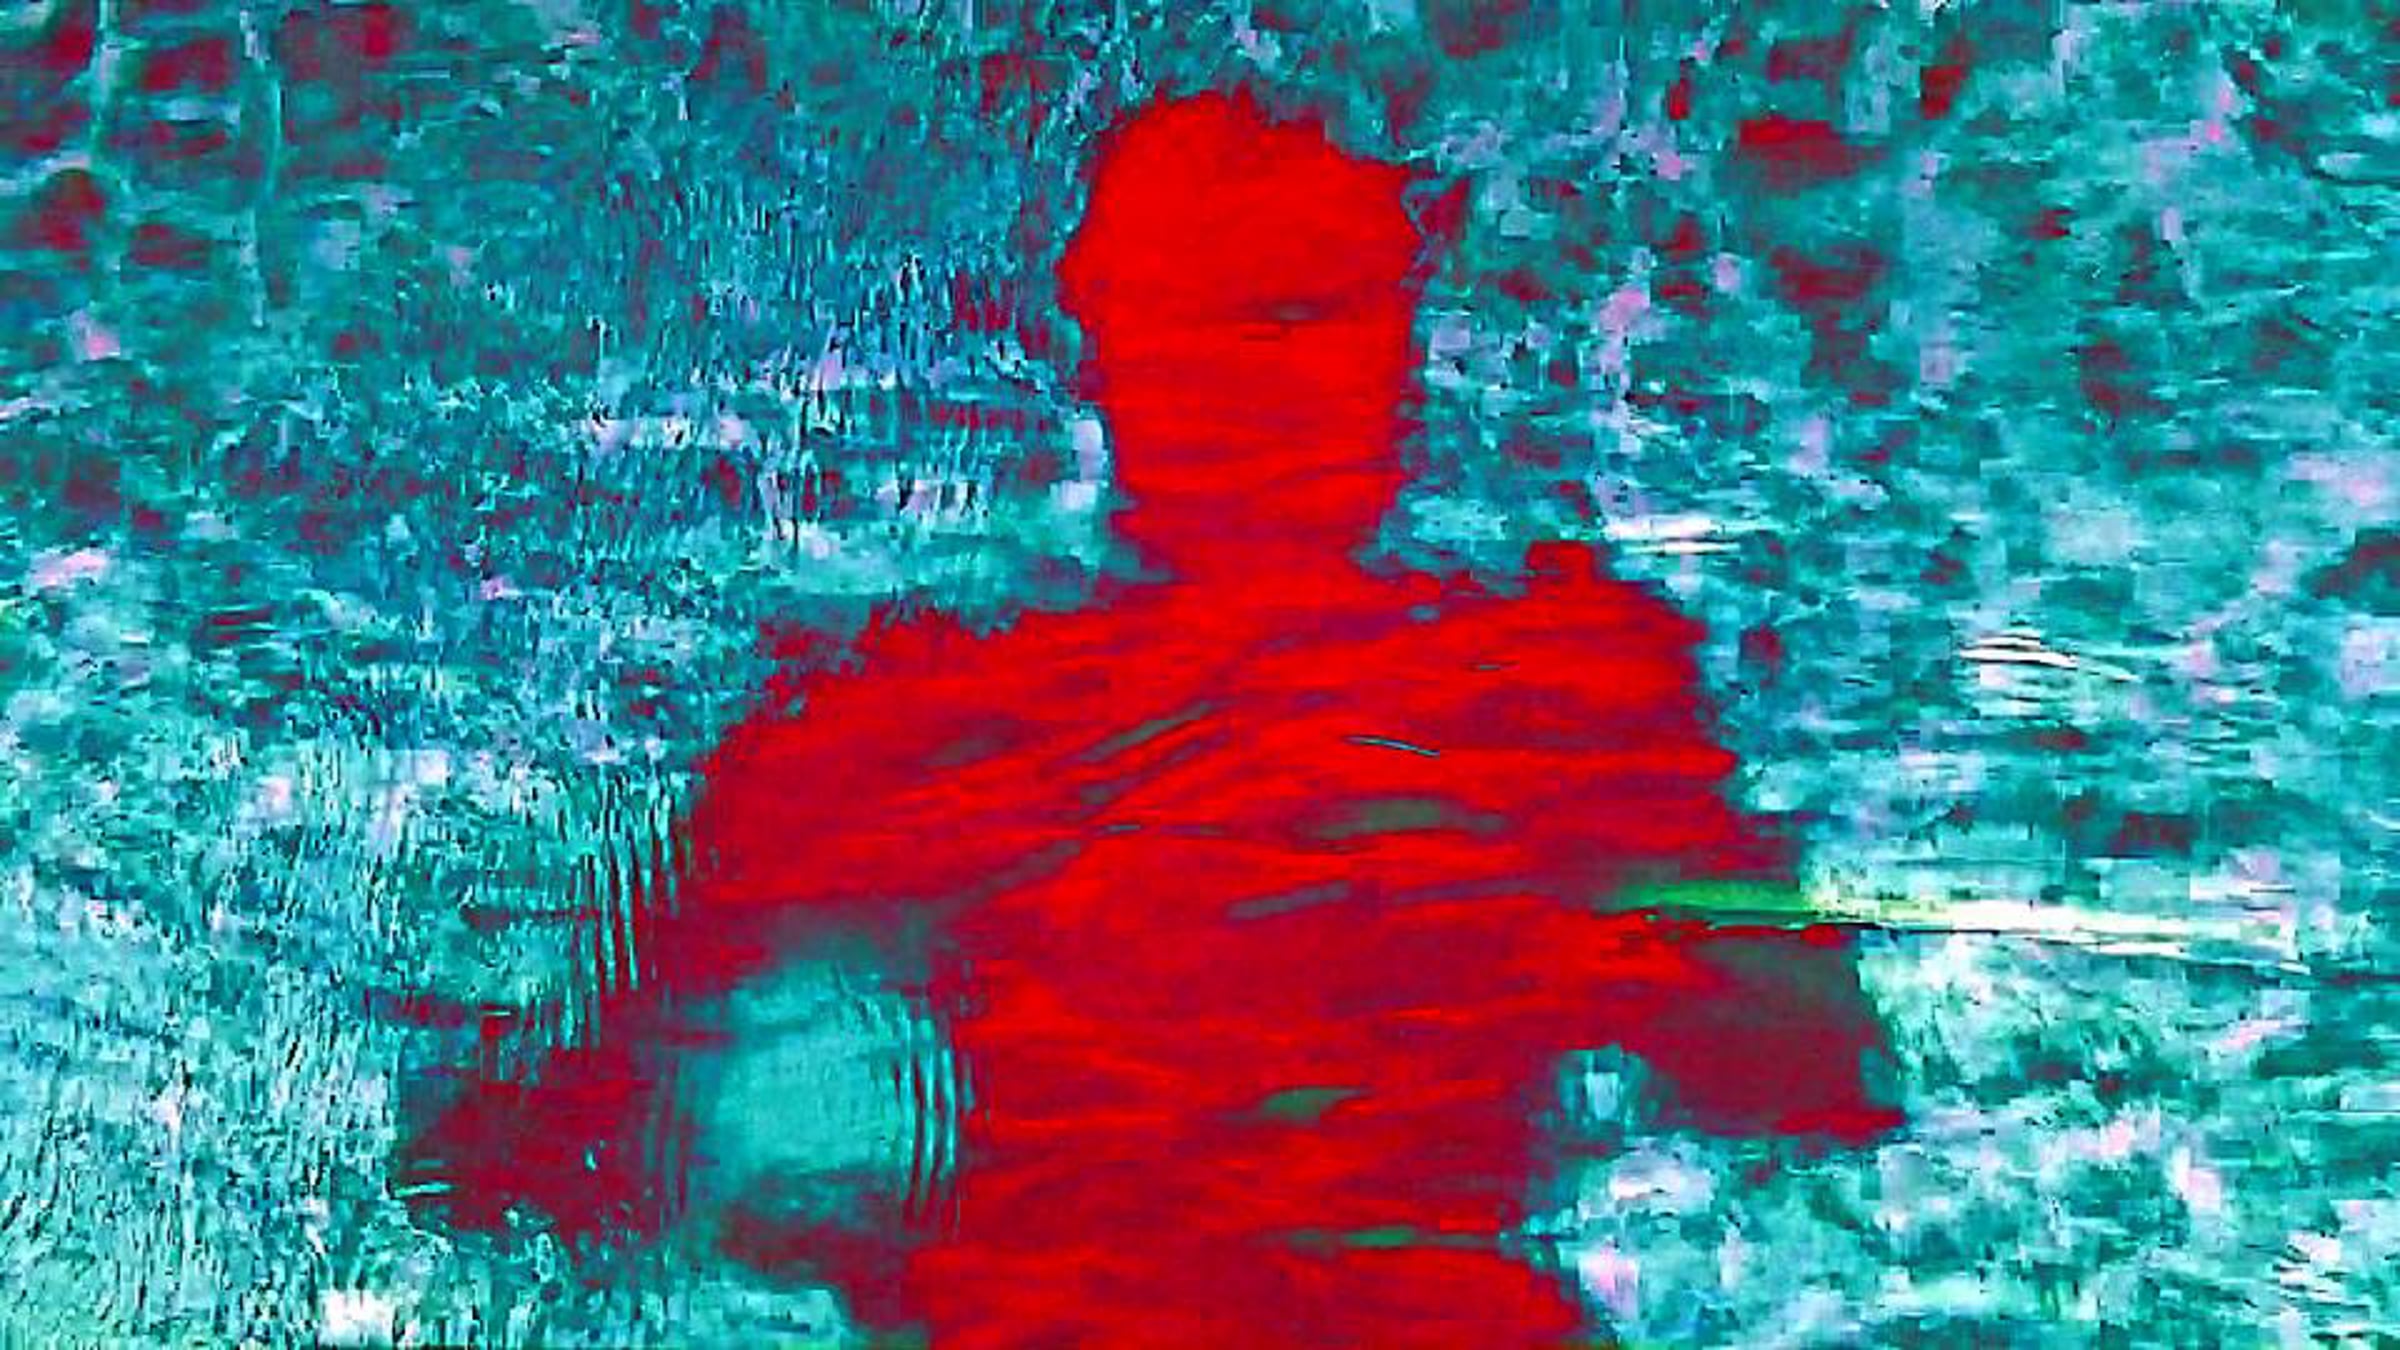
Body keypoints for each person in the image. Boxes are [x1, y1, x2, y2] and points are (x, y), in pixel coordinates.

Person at [404, 89, 1901, 1347]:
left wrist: (1587, 925)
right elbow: (504, 1145)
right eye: (1237, 319)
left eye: (1317, 311)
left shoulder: (1560, 695)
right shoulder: (927, 714)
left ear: (1402, 330)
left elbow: (1825, 1076)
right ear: (1106, 337)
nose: (1280, 372)